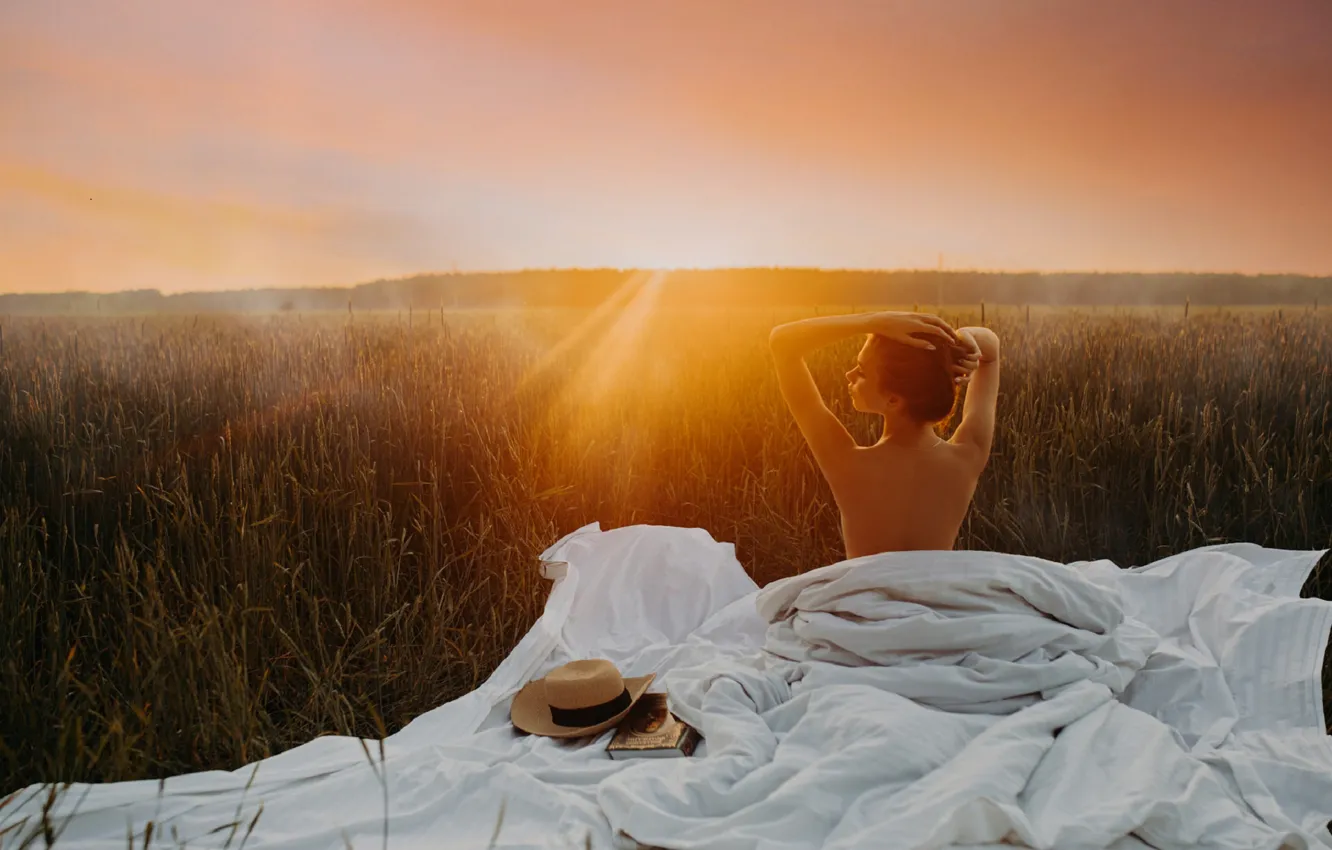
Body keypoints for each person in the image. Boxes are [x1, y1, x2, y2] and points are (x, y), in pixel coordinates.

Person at [768, 310, 1000, 558]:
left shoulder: (845, 462)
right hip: (933, 595)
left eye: (861, 371)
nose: (850, 375)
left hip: (862, 596)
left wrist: (871, 322)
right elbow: (991, 352)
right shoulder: (968, 454)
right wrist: (963, 339)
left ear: (893, 399)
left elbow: (782, 342)